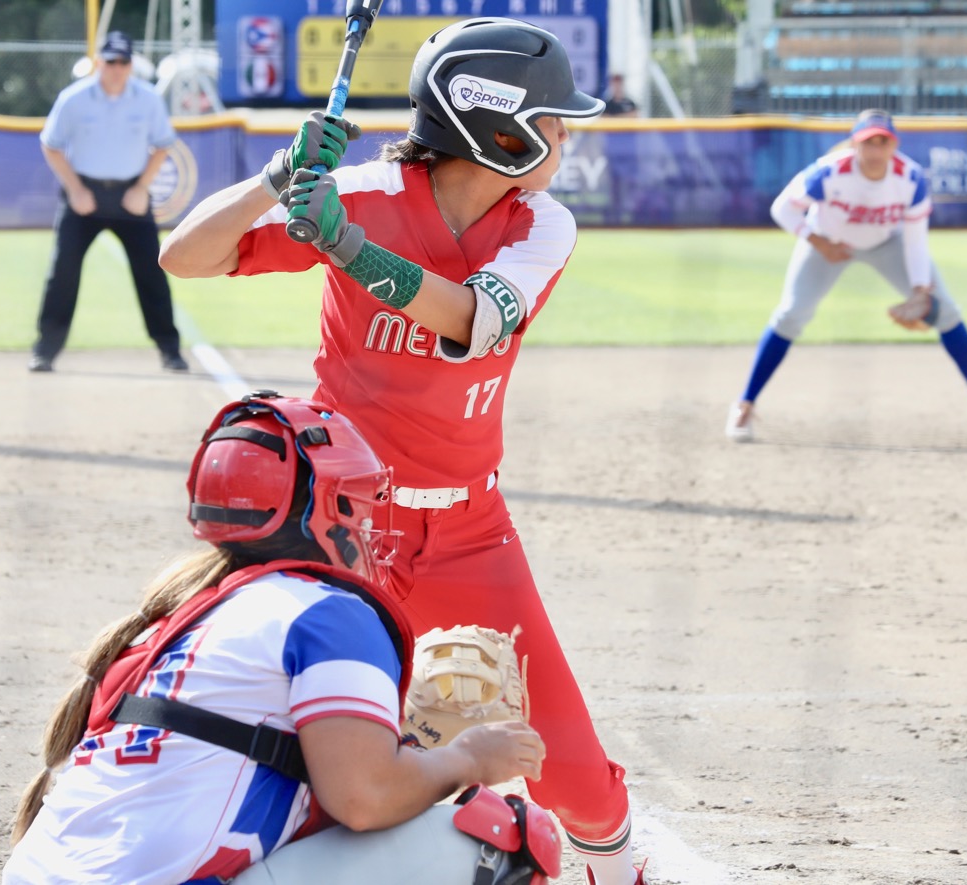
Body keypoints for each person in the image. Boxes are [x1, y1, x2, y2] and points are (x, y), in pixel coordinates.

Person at [160, 18, 651, 885]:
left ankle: (622, 864)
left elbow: (470, 316)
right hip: (342, 536)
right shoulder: (359, 189)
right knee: (323, 756)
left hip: (471, 532)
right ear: (495, 132)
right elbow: (184, 255)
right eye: (551, 120)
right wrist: (273, 180)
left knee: (577, 776)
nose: (567, 136)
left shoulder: (541, 225)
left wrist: (345, 245)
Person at [4, 392, 551, 884]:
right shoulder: (330, 614)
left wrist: (404, 745)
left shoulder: (180, 613)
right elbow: (364, 800)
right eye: (356, 502)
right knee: (505, 836)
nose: (366, 523)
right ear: (325, 512)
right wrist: (466, 759)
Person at [725, 109, 967, 444]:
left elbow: (916, 240)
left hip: (886, 243)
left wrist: (921, 289)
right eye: (869, 142)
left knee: (946, 311)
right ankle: (745, 403)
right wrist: (817, 241)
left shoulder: (910, 178)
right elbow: (782, 208)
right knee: (791, 314)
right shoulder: (829, 171)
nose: (876, 149)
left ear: (894, 145)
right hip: (829, 242)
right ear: (855, 144)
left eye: (883, 141)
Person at [29, 30, 188, 374]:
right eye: (110, 61)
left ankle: (170, 350)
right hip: (83, 194)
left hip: (131, 195)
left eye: (123, 61)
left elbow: (162, 144)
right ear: (98, 62)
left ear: (131, 65)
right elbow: (51, 144)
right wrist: (75, 189)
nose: (116, 68)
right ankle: (45, 349)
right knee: (62, 273)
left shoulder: (147, 99)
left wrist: (141, 188)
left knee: (152, 272)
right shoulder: (74, 98)